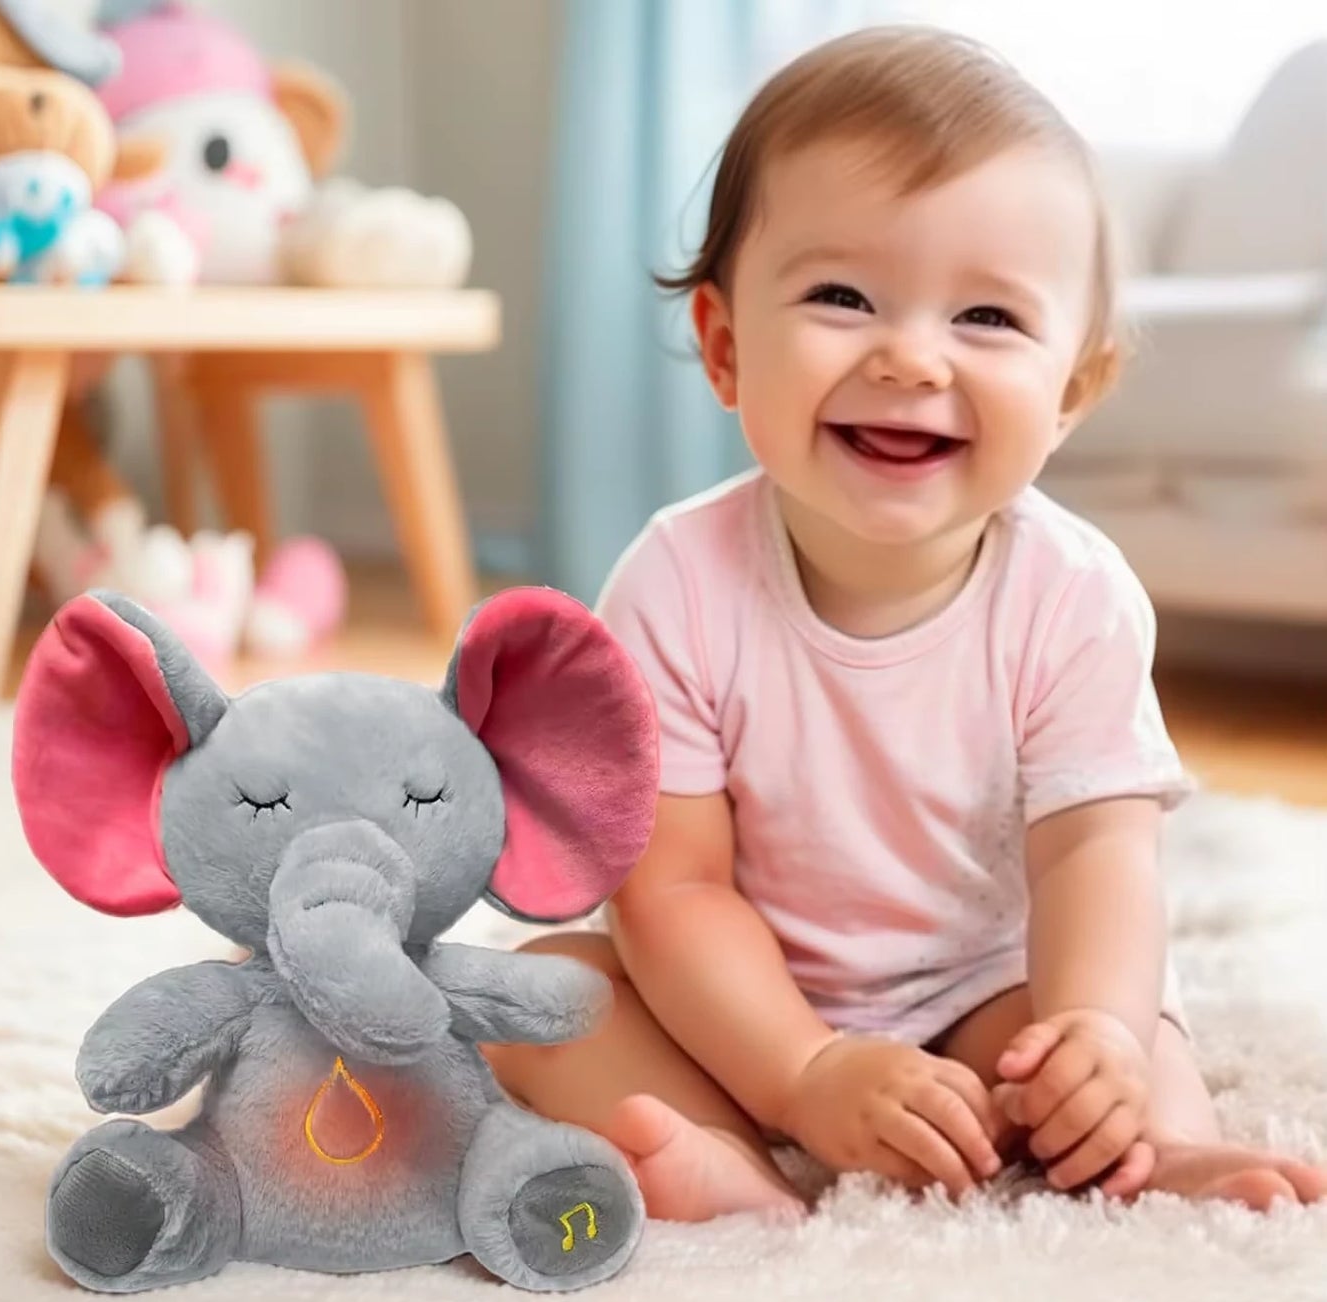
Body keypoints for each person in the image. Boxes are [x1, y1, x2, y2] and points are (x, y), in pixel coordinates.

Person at [484, 26, 1327, 1221]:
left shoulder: (1073, 594)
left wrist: (1099, 1037)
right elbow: (670, 890)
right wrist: (804, 1068)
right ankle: (734, 1161)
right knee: (545, 995)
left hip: (978, 990)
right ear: (725, 348)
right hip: (731, 999)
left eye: (985, 318)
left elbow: (1094, 852)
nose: (909, 356)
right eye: (840, 296)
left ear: (1070, 390)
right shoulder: (671, 582)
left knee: (1097, 1033)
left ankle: (1150, 1155)